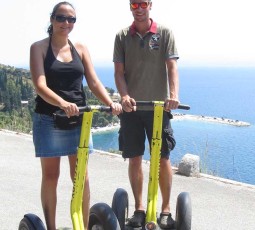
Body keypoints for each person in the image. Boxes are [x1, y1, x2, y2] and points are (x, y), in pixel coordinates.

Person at [30, 2, 122, 230]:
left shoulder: (80, 48)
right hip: (49, 119)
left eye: (71, 19)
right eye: (61, 18)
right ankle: (51, 227)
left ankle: (80, 225)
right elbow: (40, 85)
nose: (66, 23)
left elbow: (93, 82)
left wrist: (110, 103)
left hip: (79, 118)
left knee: (81, 176)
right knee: (51, 176)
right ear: (52, 19)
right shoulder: (39, 48)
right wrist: (62, 103)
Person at [113, 0, 180, 228]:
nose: (138, 8)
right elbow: (119, 73)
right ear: (130, 7)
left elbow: (172, 67)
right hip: (131, 108)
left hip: (159, 108)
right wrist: (123, 96)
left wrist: (173, 95)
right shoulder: (122, 36)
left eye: (142, 3)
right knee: (135, 158)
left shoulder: (164, 33)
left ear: (150, 4)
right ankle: (140, 208)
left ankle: (165, 210)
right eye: (134, 4)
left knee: (162, 158)